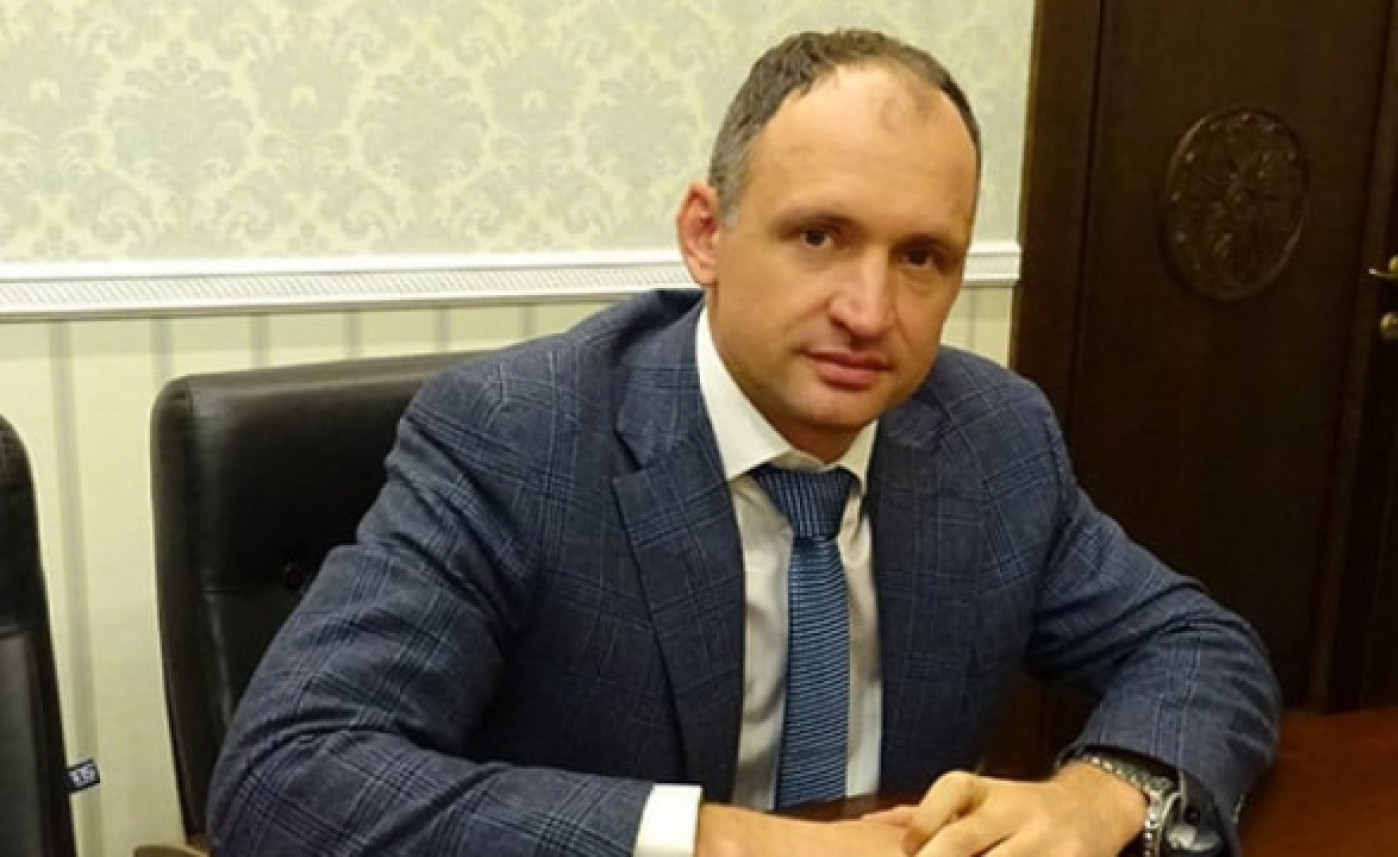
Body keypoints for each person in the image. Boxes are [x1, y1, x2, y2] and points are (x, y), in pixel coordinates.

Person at [209, 29, 1278, 857]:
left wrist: (1102, 795)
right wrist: (722, 839)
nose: (870, 310)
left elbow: (1199, 646)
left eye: (922, 257)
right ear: (705, 233)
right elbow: (287, 776)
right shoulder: (517, 436)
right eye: (820, 235)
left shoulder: (992, 435)